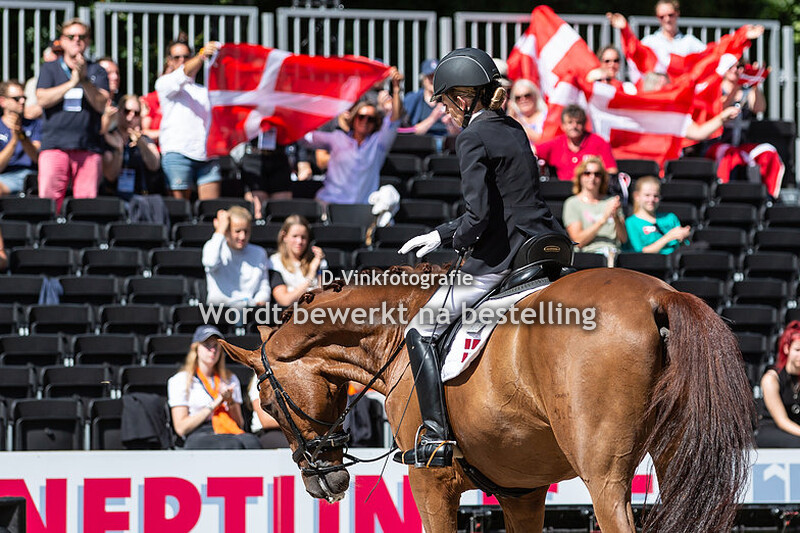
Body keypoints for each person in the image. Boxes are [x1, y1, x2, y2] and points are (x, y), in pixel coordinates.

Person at [395, 47, 565, 468]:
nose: (446, 111)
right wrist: (441, 232)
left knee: (420, 329)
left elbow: (479, 217)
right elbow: (511, 200)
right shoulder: (513, 127)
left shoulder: (471, 137)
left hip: (503, 256)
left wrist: (452, 239)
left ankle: (435, 435)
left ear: (464, 98)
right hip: (546, 245)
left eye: (447, 102)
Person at [36, 18, 109, 211]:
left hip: (87, 147)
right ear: (62, 41)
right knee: (49, 205)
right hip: (55, 146)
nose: (77, 40)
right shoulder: (49, 68)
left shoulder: (97, 70)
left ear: (88, 41)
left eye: (82, 36)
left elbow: (101, 103)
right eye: (71, 36)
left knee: (85, 207)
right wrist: (71, 83)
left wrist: (83, 80)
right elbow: (42, 99)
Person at [302, 69, 404, 205]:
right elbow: (305, 138)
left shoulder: (378, 143)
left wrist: (396, 88)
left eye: (370, 119)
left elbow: (395, 119)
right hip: (330, 203)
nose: (365, 121)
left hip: (361, 208)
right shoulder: (336, 138)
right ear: (354, 119)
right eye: (361, 117)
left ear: (376, 123)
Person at [167, 325, 262, 449]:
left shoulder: (230, 378)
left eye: (216, 346)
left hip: (228, 429)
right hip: (198, 432)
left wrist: (230, 401)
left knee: (253, 442)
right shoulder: (181, 380)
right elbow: (181, 428)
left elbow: (239, 423)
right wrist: (216, 403)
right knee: (232, 445)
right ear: (196, 348)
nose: (212, 350)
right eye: (207, 345)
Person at [155, 35, 221, 200]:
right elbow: (183, 73)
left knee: (210, 210)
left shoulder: (203, 90)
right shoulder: (164, 83)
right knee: (181, 210)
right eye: (177, 57)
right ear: (169, 60)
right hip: (178, 153)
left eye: (186, 56)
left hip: (207, 155)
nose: (182, 60)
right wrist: (202, 56)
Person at [202, 206, 293, 308]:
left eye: (246, 231)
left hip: (250, 311)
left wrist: (260, 300)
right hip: (219, 311)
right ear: (227, 230)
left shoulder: (259, 252)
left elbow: (264, 286)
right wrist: (220, 230)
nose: (242, 237)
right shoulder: (214, 247)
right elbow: (210, 262)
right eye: (237, 231)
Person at [562, 156, 627, 263]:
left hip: (614, 254)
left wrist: (616, 217)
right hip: (588, 256)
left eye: (597, 174)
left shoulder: (611, 201)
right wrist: (603, 219)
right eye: (587, 173)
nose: (592, 177)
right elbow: (578, 241)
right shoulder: (572, 203)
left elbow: (623, 239)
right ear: (580, 176)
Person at [101, 94, 162, 197]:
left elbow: (154, 165)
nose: (131, 116)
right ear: (119, 111)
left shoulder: (145, 140)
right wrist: (119, 150)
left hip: (139, 197)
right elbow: (110, 176)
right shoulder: (110, 137)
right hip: (113, 197)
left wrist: (141, 143)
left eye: (136, 113)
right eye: (127, 111)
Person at [535, 104, 618, 180]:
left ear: (584, 125)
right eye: (570, 122)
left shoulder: (599, 143)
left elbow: (611, 171)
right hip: (563, 189)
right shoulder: (556, 143)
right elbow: (533, 150)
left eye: (578, 122)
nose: (574, 126)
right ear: (563, 126)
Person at [758, 322, 800, 447]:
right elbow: (782, 421)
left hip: (795, 428)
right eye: (797, 350)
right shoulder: (771, 379)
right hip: (772, 428)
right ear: (787, 348)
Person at [624, 176, 690, 254]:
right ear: (636, 196)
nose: (651, 199)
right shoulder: (631, 222)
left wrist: (684, 235)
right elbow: (639, 252)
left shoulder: (670, 218)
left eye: (655, 196)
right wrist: (668, 237)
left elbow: (683, 245)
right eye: (647, 195)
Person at [269, 215, 327, 303]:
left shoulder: (316, 261)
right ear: (284, 237)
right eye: (295, 236)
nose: (299, 241)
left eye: (303, 237)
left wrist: (318, 267)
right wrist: (310, 277)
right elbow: (285, 301)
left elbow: (325, 297)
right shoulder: (275, 262)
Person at [0, 80, 42, 196]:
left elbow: (37, 158)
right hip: (6, 177)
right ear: (2, 101)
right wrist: (14, 140)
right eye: (17, 98)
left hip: (31, 176)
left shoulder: (36, 124)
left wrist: (21, 135)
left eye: (24, 98)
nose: (22, 101)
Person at [402, 58, 459, 136]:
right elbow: (407, 132)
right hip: (420, 142)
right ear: (423, 80)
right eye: (430, 77)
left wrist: (451, 124)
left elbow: (458, 135)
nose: (434, 80)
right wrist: (433, 117)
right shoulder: (412, 99)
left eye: (437, 77)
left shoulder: (450, 100)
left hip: (445, 141)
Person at [247, 375, 289, 448]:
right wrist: (295, 421)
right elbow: (266, 421)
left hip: (290, 430)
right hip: (267, 432)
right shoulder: (260, 378)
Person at [24, 42, 62, 120]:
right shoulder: (33, 83)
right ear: (45, 56)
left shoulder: (78, 79)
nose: (59, 57)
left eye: (62, 53)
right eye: (55, 53)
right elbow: (29, 113)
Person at [507, 79, 547, 146]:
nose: (523, 100)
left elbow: (543, 140)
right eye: (518, 98)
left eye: (527, 95)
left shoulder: (546, 117)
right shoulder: (512, 118)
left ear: (535, 95)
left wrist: (518, 124)